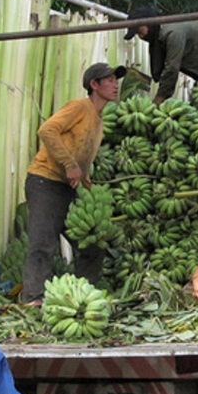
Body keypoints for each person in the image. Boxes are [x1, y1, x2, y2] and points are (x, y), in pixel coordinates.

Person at [20, 62, 126, 304]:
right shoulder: (80, 107)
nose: (114, 84)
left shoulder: (99, 122)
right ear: (94, 85)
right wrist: (69, 164)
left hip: (68, 187)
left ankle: (81, 296)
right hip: (45, 181)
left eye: (115, 79)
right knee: (43, 242)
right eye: (108, 80)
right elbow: (47, 130)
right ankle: (33, 297)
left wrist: (87, 184)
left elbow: (83, 157)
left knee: (91, 245)